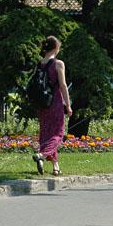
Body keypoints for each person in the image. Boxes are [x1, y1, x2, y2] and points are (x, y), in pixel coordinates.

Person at [32, 36, 72, 176]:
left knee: (46, 133)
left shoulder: (40, 63)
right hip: (54, 102)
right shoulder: (58, 63)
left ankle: (55, 166)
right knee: (58, 134)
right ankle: (42, 155)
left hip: (42, 104)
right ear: (56, 48)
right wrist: (68, 105)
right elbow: (63, 85)